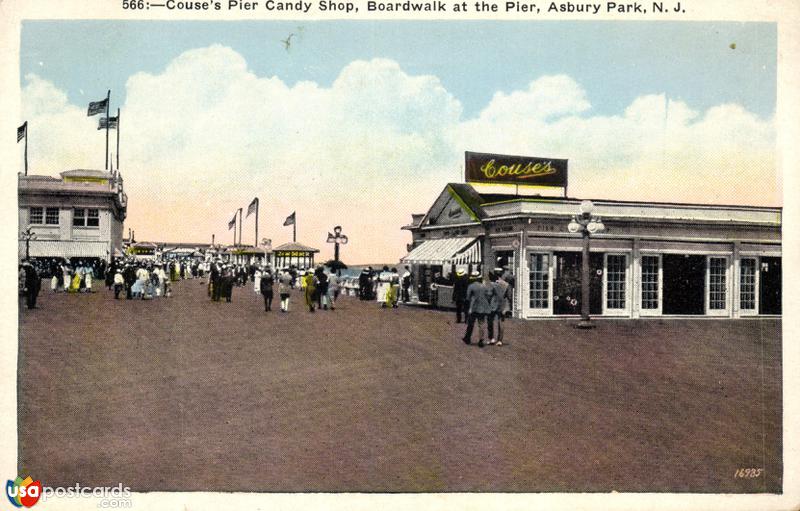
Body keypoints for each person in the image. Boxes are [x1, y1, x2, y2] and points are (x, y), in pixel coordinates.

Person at [462, 272, 496, 348]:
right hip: (483, 307)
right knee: (481, 324)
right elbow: (489, 295)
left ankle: (467, 338)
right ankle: (481, 340)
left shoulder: (471, 286)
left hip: (474, 307)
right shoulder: (484, 286)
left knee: (471, 323)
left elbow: (467, 297)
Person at [489, 270, 511, 346]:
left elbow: (490, 294)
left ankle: (491, 338)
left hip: (493, 305)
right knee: (501, 323)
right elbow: (509, 296)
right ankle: (500, 340)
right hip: (502, 305)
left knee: (490, 321)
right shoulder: (506, 284)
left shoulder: (493, 284)